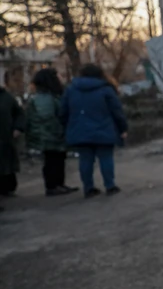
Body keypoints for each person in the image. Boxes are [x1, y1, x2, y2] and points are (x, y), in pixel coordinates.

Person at [61, 64, 128, 198]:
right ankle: (110, 186)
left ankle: (88, 188)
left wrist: (68, 126)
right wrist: (123, 128)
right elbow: (117, 111)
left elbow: (63, 111)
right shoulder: (105, 89)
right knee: (106, 158)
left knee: (85, 159)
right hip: (103, 129)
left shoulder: (71, 90)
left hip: (79, 130)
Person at [26, 68, 78, 196]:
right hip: (50, 135)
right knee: (52, 160)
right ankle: (52, 186)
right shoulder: (44, 98)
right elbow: (47, 117)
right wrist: (59, 130)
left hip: (51, 134)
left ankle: (58, 184)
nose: (61, 77)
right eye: (58, 75)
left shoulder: (50, 95)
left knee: (58, 159)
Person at [0, 82, 25, 197]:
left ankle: (8, 187)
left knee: (7, 162)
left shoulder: (6, 97)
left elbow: (19, 113)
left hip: (6, 137)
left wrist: (18, 128)